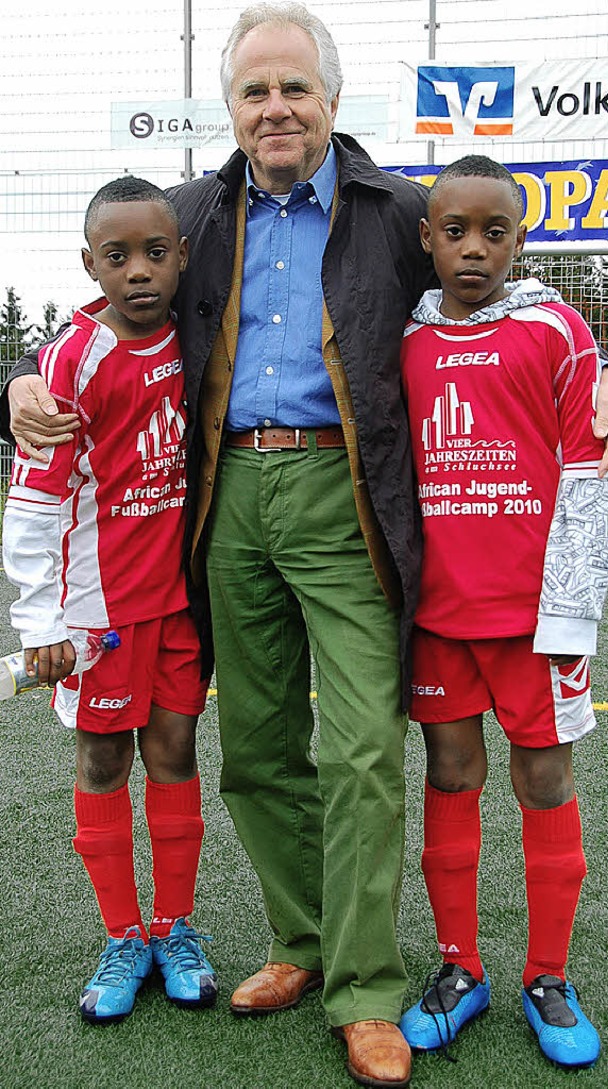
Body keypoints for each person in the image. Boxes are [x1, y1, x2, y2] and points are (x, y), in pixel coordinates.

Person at [1, 7, 608, 1087]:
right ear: (231, 108)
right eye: (254, 91)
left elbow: (491, 277)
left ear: (332, 101)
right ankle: (300, 941)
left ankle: (366, 985)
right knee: (250, 752)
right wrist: (15, 384)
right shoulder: (188, 212)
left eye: (294, 87)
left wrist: (605, 373)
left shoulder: (397, 206)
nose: (275, 107)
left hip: (346, 487)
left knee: (360, 749)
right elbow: (102, 317)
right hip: (226, 495)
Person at [398, 155, 608, 1070]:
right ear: (427, 240)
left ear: (522, 240)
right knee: (450, 776)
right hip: (440, 618)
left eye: (495, 233)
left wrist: (570, 618)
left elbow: (586, 478)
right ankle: (460, 967)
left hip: (538, 623)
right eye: (455, 232)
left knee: (545, 783)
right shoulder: (402, 339)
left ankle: (548, 974)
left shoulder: (556, 332)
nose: (474, 250)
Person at [2, 177, 218, 1025]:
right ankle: (122, 933)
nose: (139, 272)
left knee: (174, 753)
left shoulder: (197, 338)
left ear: (183, 259)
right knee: (103, 761)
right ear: (89, 264)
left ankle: (175, 927)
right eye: (118, 256)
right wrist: (42, 620)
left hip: (178, 606)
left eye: (155, 254)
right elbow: (34, 499)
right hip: (97, 616)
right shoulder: (73, 358)